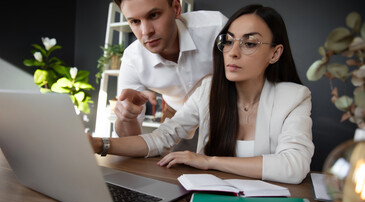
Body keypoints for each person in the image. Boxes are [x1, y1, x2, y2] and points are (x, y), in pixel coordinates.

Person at [90, 4, 314, 184]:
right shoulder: (208, 90)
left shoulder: (295, 98)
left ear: (275, 53)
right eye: (228, 41)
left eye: (249, 43)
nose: (233, 52)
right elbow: (159, 138)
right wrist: (99, 144)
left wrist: (209, 161)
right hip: (213, 198)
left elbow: (293, 166)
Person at [113, 0, 227, 138]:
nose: (146, 32)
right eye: (135, 21)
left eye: (154, 15)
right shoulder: (132, 60)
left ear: (176, 8)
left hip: (227, 108)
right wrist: (127, 117)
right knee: (164, 157)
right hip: (175, 114)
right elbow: (128, 140)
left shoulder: (216, 28)